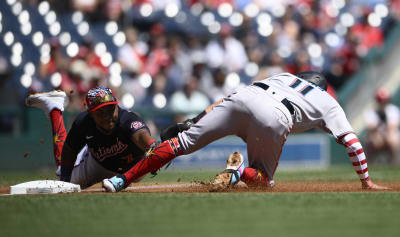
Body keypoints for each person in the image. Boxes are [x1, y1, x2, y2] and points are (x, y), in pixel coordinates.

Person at [102, 71, 388, 192]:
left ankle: (120, 180)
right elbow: (352, 142)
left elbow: (234, 96)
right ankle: (238, 173)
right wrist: (365, 181)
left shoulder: (285, 76)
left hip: (244, 97)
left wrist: (197, 119)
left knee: (180, 143)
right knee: (263, 179)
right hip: (274, 116)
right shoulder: (328, 101)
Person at [25, 86, 156, 189]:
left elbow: (142, 136)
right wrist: (65, 181)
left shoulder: (128, 119)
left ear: (117, 106)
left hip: (132, 168)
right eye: (100, 112)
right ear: (91, 114)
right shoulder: (83, 122)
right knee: (61, 178)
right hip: (97, 165)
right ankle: (54, 108)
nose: (107, 116)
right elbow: (69, 150)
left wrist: (153, 147)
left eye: (110, 109)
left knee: (139, 172)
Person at [364, 88, 400, 164]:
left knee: (392, 139)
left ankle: (394, 162)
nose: (383, 103)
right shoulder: (371, 111)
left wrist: (385, 120)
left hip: (390, 136)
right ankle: (369, 164)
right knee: (373, 140)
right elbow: (371, 128)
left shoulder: (393, 110)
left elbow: (393, 127)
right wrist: (379, 123)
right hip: (377, 137)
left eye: (384, 101)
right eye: (380, 101)